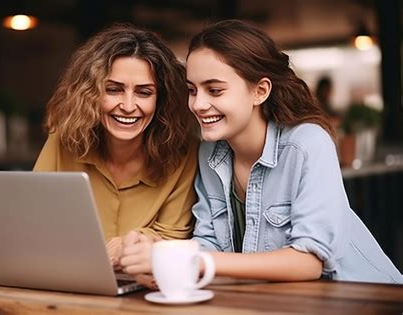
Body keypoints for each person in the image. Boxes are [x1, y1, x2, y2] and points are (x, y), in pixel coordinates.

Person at [121, 20, 402, 284]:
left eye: (215, 90)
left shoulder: (306, 144)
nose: (198, 104)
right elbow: (209, 245)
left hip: (362, 297)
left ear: (260, 91)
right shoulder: (210, 154)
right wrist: (165, 256)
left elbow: (309, 262)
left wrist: (195, 260)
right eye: (192, 90)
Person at [0, 24, 198, 271]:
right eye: (113, 90)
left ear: (161, 99)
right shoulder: (64, 139)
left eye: (144, 93)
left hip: (145, 289)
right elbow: (33, 219)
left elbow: (174, 239)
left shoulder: (183, 152)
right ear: (90, 92)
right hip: (68, 281)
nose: (128, 105)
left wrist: (132, 243)